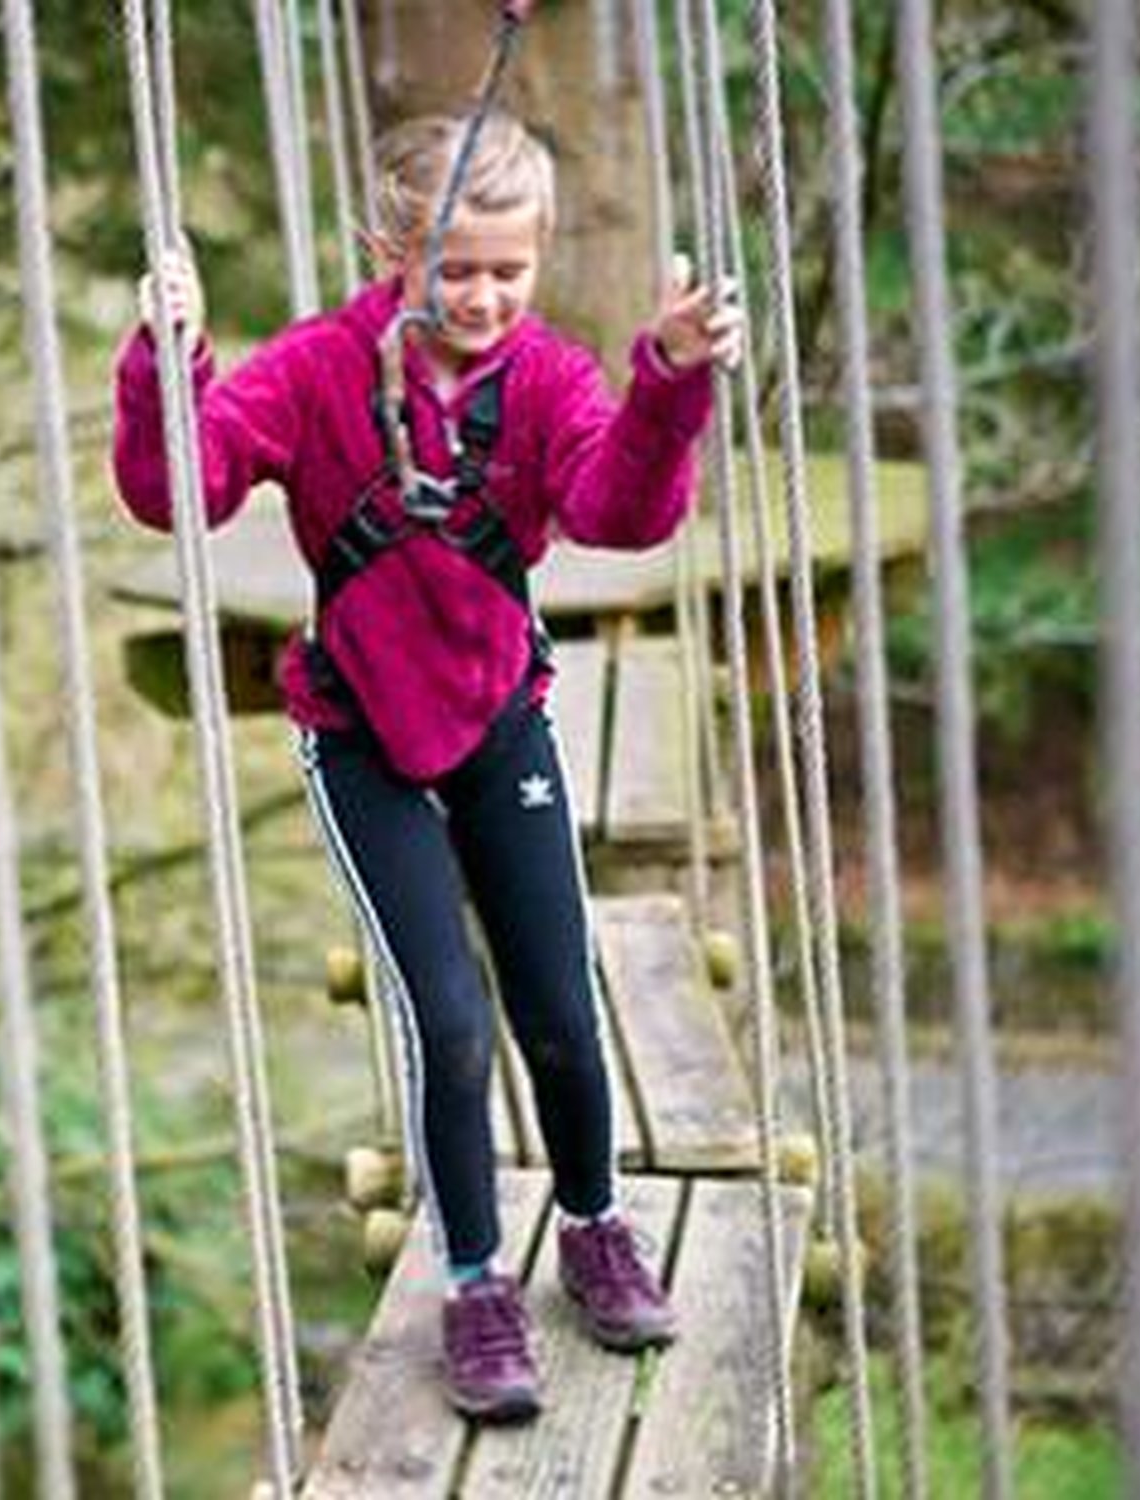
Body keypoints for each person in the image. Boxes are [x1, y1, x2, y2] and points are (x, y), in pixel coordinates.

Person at [110, 106, 743, 1422]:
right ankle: (472, 1287)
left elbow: (623, 512)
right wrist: (164, 364)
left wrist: (672, 381)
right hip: (361, 740)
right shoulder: (311, 372)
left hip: (501, 715)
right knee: (450, 1024)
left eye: (509, 270)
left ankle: (594, 1223)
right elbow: (184, 490)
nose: (482, 295)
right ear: (390, 249)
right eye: (453, 269)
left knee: (560, 1012)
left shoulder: (558, 380)